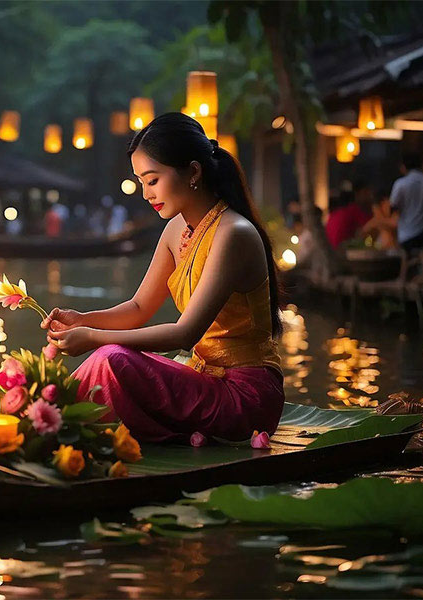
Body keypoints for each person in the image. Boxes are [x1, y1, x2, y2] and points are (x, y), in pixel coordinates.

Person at [41, 112, 284, 444]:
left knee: (112, 358)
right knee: (111, 358)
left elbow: (184, 333)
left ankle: (47, 422)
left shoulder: (234, 233)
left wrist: (94, 337)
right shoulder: (176, 230)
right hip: (202, 376)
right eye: (141, 182)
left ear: (193, 172)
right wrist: (81, 320)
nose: (145, 194)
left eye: (152, 180)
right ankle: (49, 418)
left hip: (245, 396)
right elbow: (140, 306)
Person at [324, 180, 372, 248]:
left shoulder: (341, 210)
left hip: (330, 250)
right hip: (340, 250)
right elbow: (372, 225)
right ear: (357, 194)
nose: (369, 197)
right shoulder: (354, 210)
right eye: (366, 193)